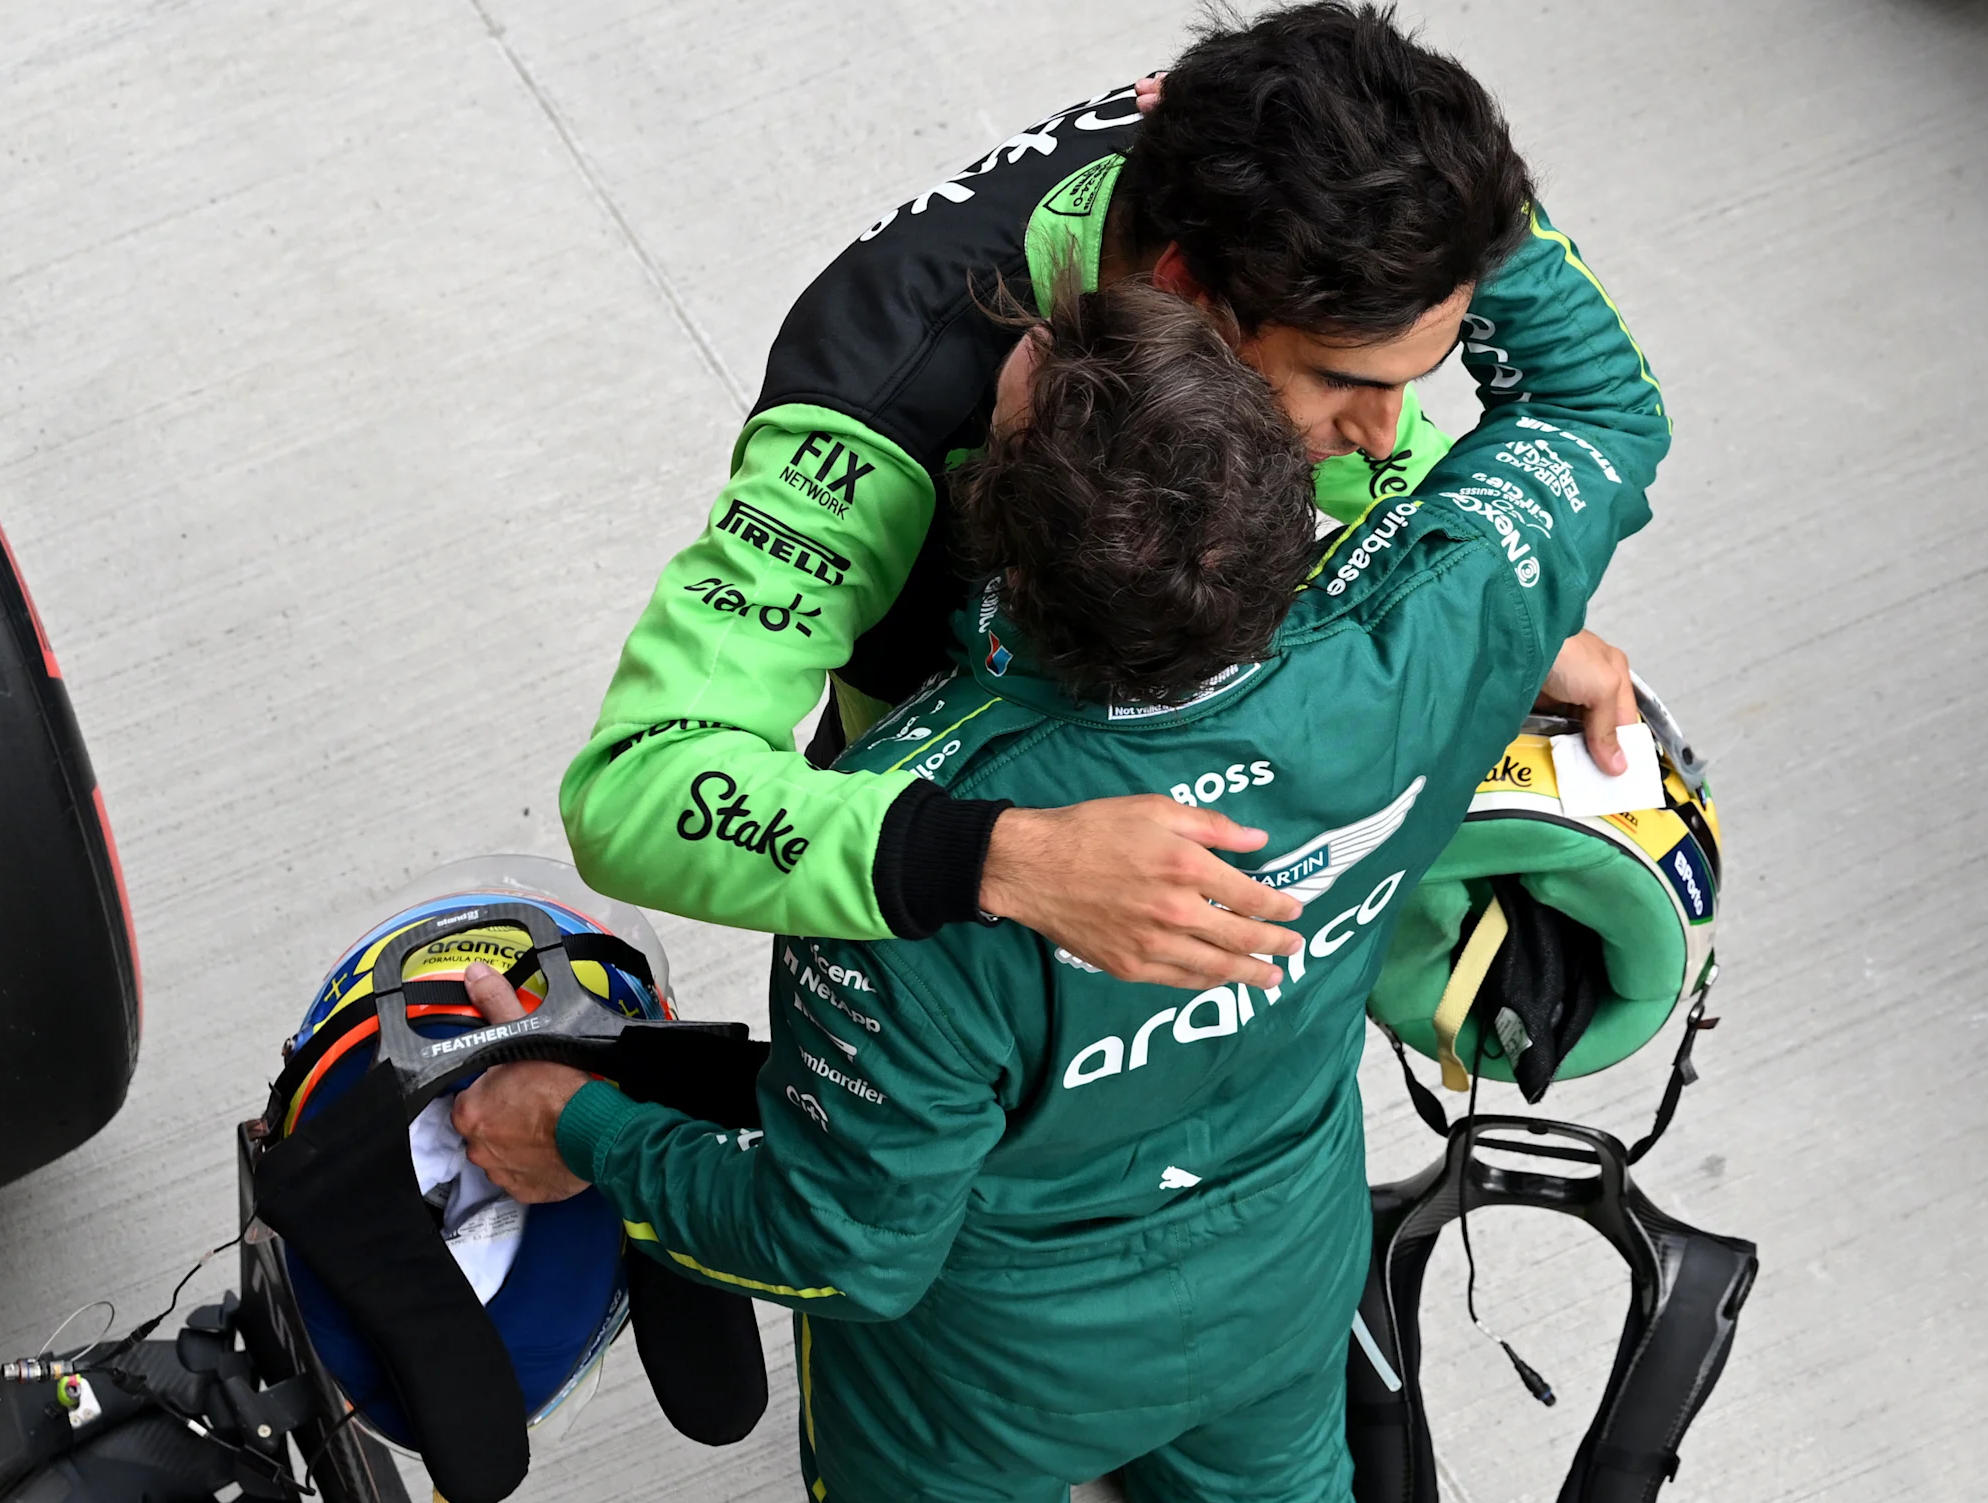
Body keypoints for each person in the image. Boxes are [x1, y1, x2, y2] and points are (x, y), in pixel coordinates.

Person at [456, 189, 1663, 1503]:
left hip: (986, 1361)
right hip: (1278, 1255)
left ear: (992, 550)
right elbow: (1599, 406)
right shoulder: (1429, 638)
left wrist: (573, 1127)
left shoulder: (910, 857)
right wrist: (1447, 197)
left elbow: (840, 1239)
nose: (1009, 346)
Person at [557, 2, 1666, 991]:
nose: (1386, 437)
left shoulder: (1237, 149)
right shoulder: (873, 406)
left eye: (1408, 383)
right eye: (1342, 383)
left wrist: (1484, 599)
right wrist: (1001, 859)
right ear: (1183, 292)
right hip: (985, 829)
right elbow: (641, 791)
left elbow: (1408, 189)